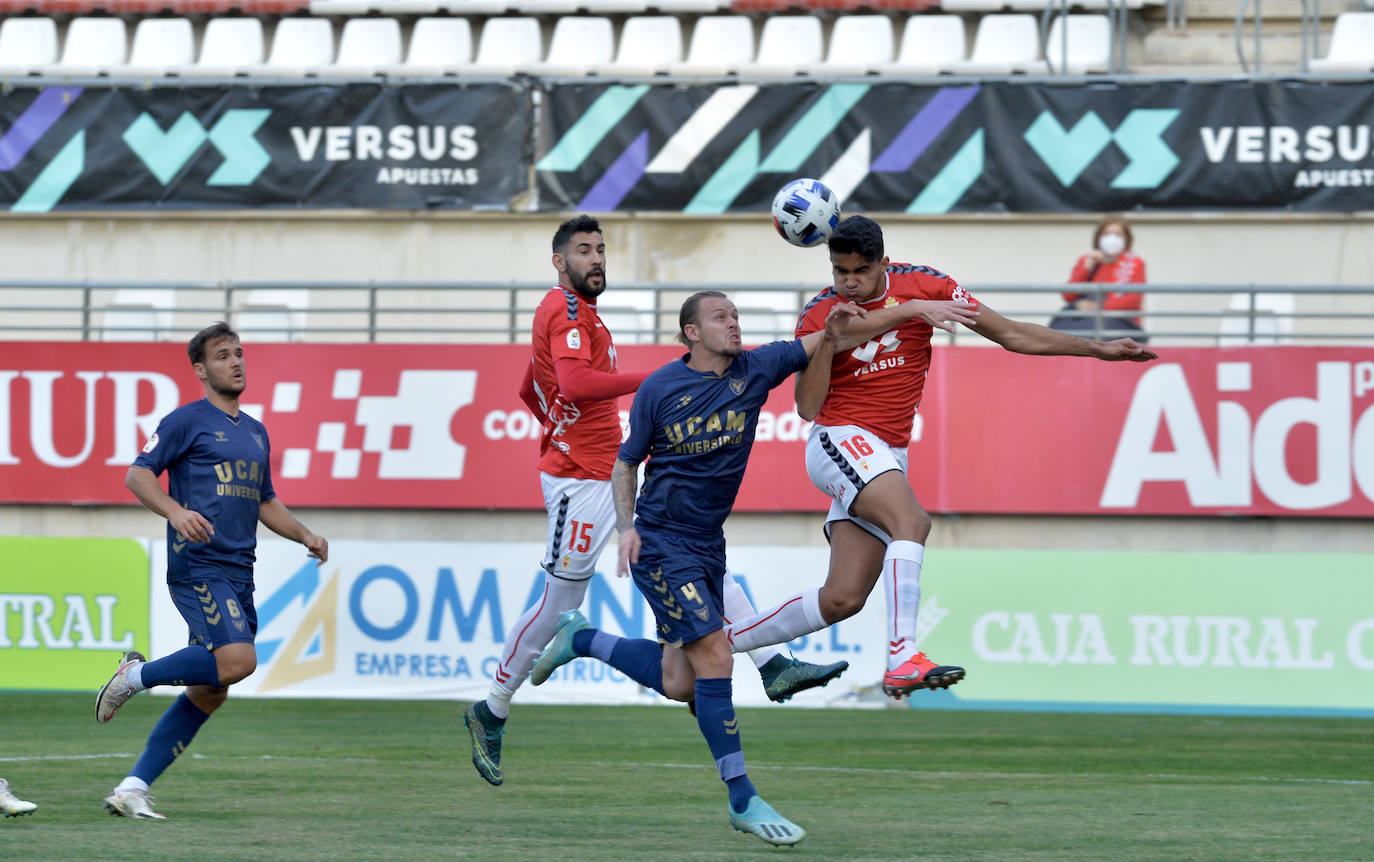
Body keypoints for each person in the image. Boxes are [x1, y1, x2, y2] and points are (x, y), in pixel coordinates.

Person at [527, 290, 968, 845]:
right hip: (661, 544)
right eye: (720, 317)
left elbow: (831, 339)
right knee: (714, 656)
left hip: (708, 546)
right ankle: (743, 798)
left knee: (678, 680)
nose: (733, 324)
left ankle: (582, 639)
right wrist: (628, 528)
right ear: (692, 332)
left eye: (735, 315)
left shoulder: (757, 367)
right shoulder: (660, 388)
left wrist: (895, 315)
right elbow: (626, 462)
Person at [462, 216, 848, 788]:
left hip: (592, 468)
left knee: (701, 589)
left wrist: (557, 427)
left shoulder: (577, 314)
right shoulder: (568, 313)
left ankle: (773, 666)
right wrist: (654, 381)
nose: (596, 259)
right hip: (583, 478)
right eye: (583, 251)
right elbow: (570, 385)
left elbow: (532, 388)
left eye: (600, 249)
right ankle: (491, 706)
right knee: (558, 600)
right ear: (558, 261)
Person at [722, 215, 1158, 699]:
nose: (849, 281)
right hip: (838, 438)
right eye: (839, 270)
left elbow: (1012, 334)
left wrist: (1097, 348)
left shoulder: (927, 285)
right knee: (912, 522)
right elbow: (806, 407)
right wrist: (828, 340)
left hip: (884, 452)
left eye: (860, 271)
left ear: (883, 263)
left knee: (842, 598)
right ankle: (903, 656)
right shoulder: (822, 311)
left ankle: (714, 644)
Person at [96, 321, 328, 820]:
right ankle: (134, 675)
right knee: (239, 661)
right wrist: (176, 512)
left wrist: (305, 534)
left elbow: (264, 499)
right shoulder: (186, 420)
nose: (236, 362)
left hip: (240, 569)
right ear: (201, 370)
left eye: (239, 353)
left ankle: (133, 788)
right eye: (223, 356)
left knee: (211, 690)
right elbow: (138, 474)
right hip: (199, 564)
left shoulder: (256, 432)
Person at [1051, 214, 1147, 341]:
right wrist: (1086, 268)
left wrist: (1097, 307)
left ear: (1126, 239)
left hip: (1119, 321)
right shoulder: (1087, 260)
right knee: (1055, 332)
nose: (1112, 239)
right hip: (1083, 321)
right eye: (1106, 234)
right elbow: (1068, 296)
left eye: (1118, 235)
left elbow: (1133, 300)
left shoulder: (1135, 263)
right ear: (1098, 238)